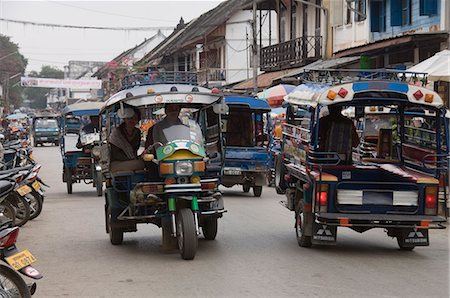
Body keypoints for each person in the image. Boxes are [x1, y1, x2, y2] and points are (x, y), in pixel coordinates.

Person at [109, 107, 144, 172]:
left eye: (135, 118)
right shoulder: (116, 133)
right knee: (140, 164)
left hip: (132, 161)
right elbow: (115, 153)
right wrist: (131, 159)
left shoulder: (137, 132)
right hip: (117, 162)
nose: (132, 121)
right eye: (130, 118)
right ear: (124, 119)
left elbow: (135, 150)